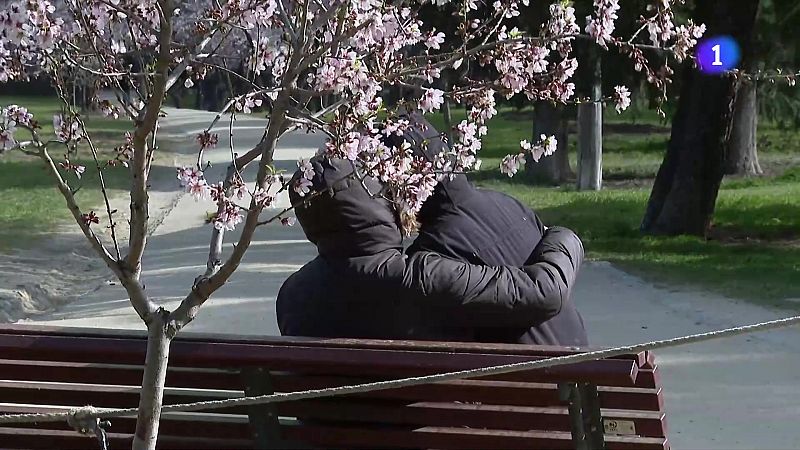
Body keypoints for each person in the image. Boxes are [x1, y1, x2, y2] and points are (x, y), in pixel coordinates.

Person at [276, 156, 585, 341]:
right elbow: (545, 292)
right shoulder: (420, 277)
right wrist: (563, 235)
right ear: (376, 203)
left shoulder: (291, 295)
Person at [397, 111, 589, 346]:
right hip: (574, 358)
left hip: (526, 378)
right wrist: (564, 235)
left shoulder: (428, 259)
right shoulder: (505, 202)